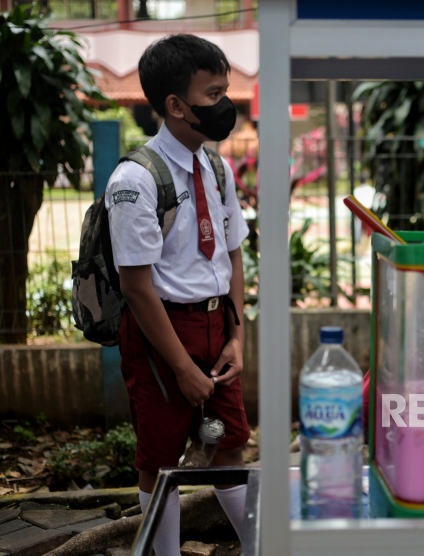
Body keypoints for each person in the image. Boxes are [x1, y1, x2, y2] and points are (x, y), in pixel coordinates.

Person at [104, 34, 249, 555]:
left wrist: (236, 337)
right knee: (159, 461)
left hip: (216, 327)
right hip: (161, 333)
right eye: (214, 93)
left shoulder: (217, 168)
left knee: (228, 447)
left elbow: (232, 255)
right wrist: (183, 368)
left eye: (224, 90)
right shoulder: (135, 179)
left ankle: (261, 546)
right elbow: (136, 288)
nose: (224, 104)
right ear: (175, 105)